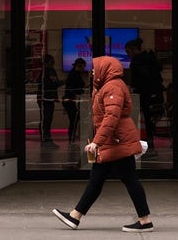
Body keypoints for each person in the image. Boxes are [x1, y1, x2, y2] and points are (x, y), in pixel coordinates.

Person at [52, 56, 154, 233]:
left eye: (95, 68)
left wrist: (96, 142)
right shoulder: (107, 86)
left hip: (118, 142)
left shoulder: (113, 86)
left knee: (129, 180)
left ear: (104, 69)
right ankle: (75, 216)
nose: (92, 71)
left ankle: (145, 221)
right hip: (112, 142)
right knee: (97, 179)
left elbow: (111, 118)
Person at [124, 38, 164, 153]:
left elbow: (140, 80)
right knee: (148, 121)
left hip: (144, 96)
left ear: (134, 49)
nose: (128, 55)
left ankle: (144, 144)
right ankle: (149, 144)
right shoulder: (150, 59)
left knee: (142, 120)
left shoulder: (138, 62)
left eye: (128, 51)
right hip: (153, 95)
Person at [62, 57, 88, 143]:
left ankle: (71, 138)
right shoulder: (74, 75)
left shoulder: (73, 74)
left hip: (71, 101)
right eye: (83, 67)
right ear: (79, 65)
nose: (84, 69)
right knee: (73, 121)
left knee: (73, 121)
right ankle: (71, 138)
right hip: (72, 101)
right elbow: (77, 88)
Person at [37, 54, 61, 145]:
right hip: (45, 99)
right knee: (46, 120)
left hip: (48, 98)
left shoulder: (49, 71)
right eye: (52, 61)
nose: (53, 63)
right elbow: (53, 83)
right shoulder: (46, 72)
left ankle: (47, 139)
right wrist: (62, 82)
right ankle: (45, 139)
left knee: (48, 119)